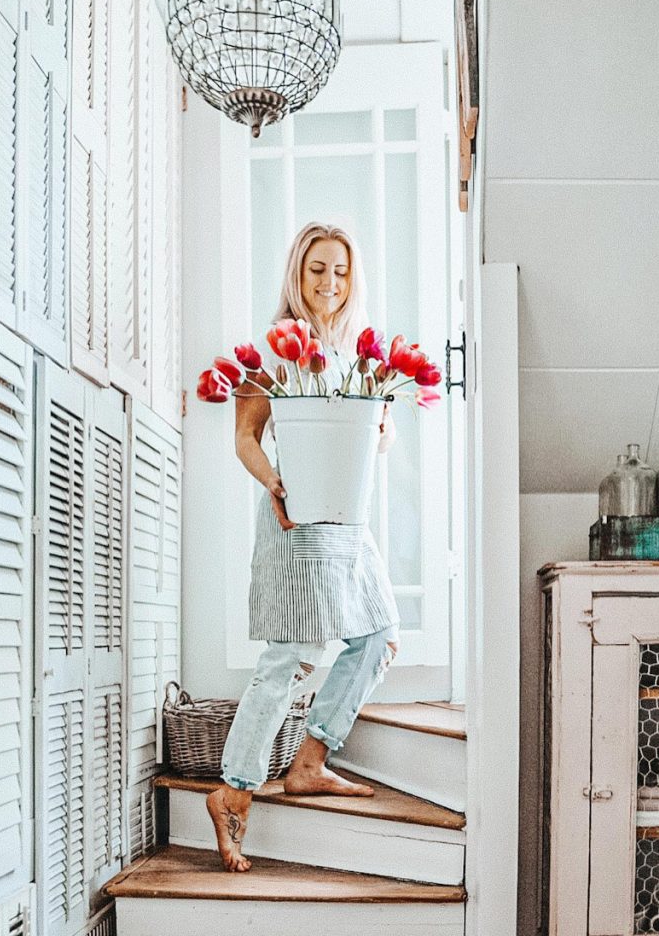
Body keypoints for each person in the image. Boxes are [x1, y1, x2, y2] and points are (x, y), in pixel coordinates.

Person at [206, 221, 402, 872]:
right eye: (317, 269)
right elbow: (244, 436)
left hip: (348, 518)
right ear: (297, 272)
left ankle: (310, 760)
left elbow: (369, 439)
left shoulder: (351, 355)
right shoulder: (273, 348)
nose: (330, 283)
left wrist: (379, 429)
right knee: (291, 654)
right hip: (296, 515)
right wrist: (276, 486)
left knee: (376, 634)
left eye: (341, 271)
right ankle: (233, 790)